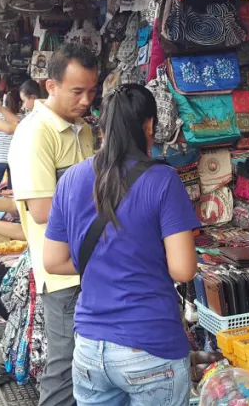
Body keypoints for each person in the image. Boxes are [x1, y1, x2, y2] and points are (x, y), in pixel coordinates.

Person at [44, 84, 199, 406]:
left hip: (89, 345)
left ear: (102, 126)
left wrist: (107, 262)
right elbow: (183, 270)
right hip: (149, 344)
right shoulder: (164, 180)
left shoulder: (70, 179)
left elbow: (54, 261)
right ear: (149, 125)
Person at [9, 44, 99, 406]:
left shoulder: (83, 129)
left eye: (92, 91)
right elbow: (42, 210)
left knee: (91, 363)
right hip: (62, 273)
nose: (86, 100)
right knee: (63, 368)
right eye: (77, 91)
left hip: (92, 263)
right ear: (51, 86)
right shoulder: (35, 133)